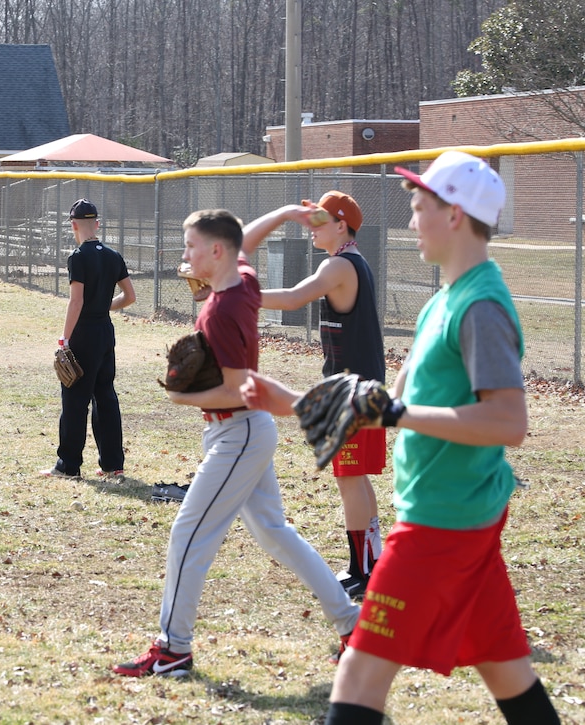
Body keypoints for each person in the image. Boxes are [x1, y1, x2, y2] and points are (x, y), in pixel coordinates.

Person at [240, 151, 560, 724]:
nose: (411, 221)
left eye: (418, 208)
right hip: (460, 515)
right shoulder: (444, 300)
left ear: (455, 215)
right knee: (507, 670)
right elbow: (374, 405)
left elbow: (509, 423)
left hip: (444, 522)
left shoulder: (480, 306)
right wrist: (288, 403)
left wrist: (399, 414)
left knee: (359, 672)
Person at [111, 209, 359, 678]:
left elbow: (238, 387)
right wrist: (288, 212)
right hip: (246, 430)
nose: (185, 256)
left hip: (238, 432)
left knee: (189, 533)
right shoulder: (241, 281)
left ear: (216, 252)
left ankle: (173, 649)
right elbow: (246, 240)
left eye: (191, 247)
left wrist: (183, 397)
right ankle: (352, 625)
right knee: (274, 533)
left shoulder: (224, 309)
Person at [241, 191, 386, 599]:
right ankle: (370, 564)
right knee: (356, 480)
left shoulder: (339, 264)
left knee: (350, 480)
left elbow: (292, 299)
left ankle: (363, 570)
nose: (312, 227)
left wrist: (234, 294)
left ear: (342, 226)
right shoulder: (353, 261)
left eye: (320, 220)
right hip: (362, 385)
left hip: (352, 391)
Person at [41, 199, 136, 480]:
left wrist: (65, 338)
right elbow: (130, 297)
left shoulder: (78, 256)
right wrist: (104, 306)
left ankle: (68, 466)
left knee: (75, 400)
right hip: (105, 332)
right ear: (96, 224)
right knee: (105, 395)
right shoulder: (112, 255)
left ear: (73, 225)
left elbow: (76, 301)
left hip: (84, 333)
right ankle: (112, 464)